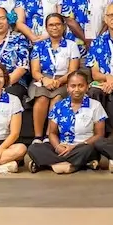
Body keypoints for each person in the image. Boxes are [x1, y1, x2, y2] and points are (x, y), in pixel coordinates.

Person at [27, 69, 113, 173]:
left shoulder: (95, 106)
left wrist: (74, 147)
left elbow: (99, 135)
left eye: (80, 86)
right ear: (67, 88)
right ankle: (73, 164)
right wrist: (58, 146)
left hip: (83, 147)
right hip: (62, 147)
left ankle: (50, 164)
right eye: (73, 86)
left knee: (89, 150)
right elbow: (52, 133)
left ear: (87, 87)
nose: (76, 89)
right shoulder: (59, 106)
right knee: (34, 148)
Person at [29, 11, 82, 141]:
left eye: (58, 24)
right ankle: (37, 136)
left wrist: (60, 81)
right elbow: (35, 71)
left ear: (63, 26)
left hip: (65, 79)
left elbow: (73, 70)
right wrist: (44, 79)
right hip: (42, 78)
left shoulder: (72, 45)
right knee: (41, 97)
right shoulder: (39, 46)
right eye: (51, 25)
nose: (54, 27)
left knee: (57, 97)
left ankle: (49, 135)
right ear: (46, 27)